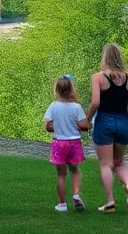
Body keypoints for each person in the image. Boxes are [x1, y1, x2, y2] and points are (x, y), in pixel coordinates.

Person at [86, 43, 128, 213]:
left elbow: (95, 103)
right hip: (123, 122)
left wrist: (87, 120)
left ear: (104, 58)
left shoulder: (98, 78)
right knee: (119, 162)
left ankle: (110, 201)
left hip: (103, 121)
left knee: (106, 164)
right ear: (119, 57)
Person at [44, 75, 90, 212]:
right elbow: (85, 126)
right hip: (74, 142)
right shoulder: (76, 107)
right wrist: (77, 125)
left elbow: (48, 127)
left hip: (59, 143)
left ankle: (62, 204)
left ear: (57, 90)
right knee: (75, 171)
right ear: (71, 89)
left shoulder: (53, 106)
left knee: (61, 175)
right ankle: (75, 194)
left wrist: (58, 125)